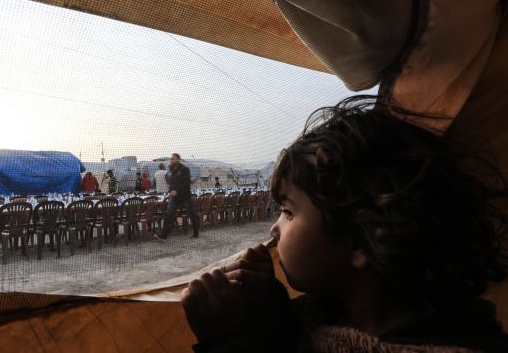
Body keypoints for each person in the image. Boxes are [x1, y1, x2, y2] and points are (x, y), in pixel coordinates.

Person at [181, 97, 508, 352]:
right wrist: (272, 312)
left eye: (289, 212)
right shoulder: (333, 311)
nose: (274, 229)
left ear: (361, 241)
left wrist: (226, 341)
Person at [155, 154, 200, 241]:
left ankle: (196, 232)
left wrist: (177, 191)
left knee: (191, 214)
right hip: (175, 197)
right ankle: (163, 236)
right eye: (171, 159)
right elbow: (171, 183)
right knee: (168, 214)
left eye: (173, 158)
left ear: (178, 160)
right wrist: (171, 191)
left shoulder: (185, 169)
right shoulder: (171, 170)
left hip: (185, 195)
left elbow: (186, 183)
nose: (171, 160)